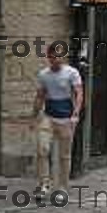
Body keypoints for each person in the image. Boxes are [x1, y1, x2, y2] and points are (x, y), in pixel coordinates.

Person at [33, 46, 83, 192]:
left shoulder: (71, 73)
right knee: (42, 149)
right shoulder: (44, 75)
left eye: (59, 57)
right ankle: (44, 183)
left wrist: (76, 113)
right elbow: (40, 96)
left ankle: (62, 186)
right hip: (48, 117)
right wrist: (34, 115)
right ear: (48, 57)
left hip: (66, 118)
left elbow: (79, 93)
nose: (56, 60)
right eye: (53, 57)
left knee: (64, 156)